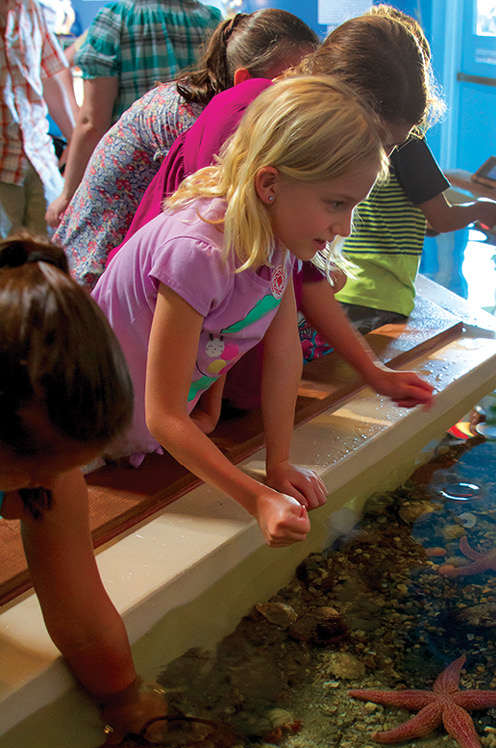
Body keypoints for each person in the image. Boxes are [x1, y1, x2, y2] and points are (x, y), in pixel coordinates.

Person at [92, 76, 390, 547]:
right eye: (336, 203)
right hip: (79, 424)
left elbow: (281, 350)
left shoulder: (278, 238)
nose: (344, 226)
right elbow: (164, 415)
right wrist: (257, 499)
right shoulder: (197, 251)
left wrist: (279, 463)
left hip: (131, 423)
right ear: (270, 183)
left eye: (353, 206)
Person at [110, 8, 439, 409]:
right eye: (377, 138)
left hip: (214, 340)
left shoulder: (292, 166)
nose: (379, 157)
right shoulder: (251, 122)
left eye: (391, 147)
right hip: (153, 340)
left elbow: (296, 274)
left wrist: (373, 372)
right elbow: (210, 263)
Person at [0, 232, 164, 741]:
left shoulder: (45, 458)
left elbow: (82, 618)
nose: (46, 485)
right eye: (31, 471)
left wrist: (126, 703)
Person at [49, 9, 318, 290]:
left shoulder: (214, 107)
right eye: (291, 85)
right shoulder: (196, 121)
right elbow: (221, 222)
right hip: (95, 276)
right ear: (244, 81)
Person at [337, 5, 496, 326]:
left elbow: (415, 220)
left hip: (338, 286)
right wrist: (481, 209)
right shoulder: (407, 142)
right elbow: (441, 217)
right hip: (381, 296)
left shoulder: (346, 132)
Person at [45, 0, 224, 228]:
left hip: (129, 184)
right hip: (191, 181)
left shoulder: (116, 17)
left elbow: (92, 122)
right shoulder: (211, 19)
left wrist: (68, 194)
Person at [0, 0, 78, 237]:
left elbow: (51, 77)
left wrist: (76, 143)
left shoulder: (28, 7)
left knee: (49, 258)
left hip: (38, 159)